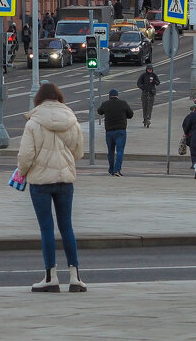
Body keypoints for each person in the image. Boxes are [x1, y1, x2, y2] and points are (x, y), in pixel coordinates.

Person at [17, 82, 86, 293]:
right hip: (65, 180)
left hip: (40, 182)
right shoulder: (72, 121)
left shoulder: (33, 123)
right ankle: (75, 277)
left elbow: (26, 156)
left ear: (38, 99)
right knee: (67, 227)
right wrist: (64, 163)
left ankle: (50, 277)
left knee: (46, 228)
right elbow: (78, 152)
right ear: (59, 98)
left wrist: (22, 171)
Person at [96, 88, 133, 176]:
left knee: (110, 151)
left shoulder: (105, 104)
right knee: (120, 151)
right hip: (120, 131)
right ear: (117, 96)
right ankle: (117, 170)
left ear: (109, 96)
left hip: (109, 132)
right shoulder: (123, 103)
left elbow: (99, 111)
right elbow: (130, 114)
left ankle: (111, 169)